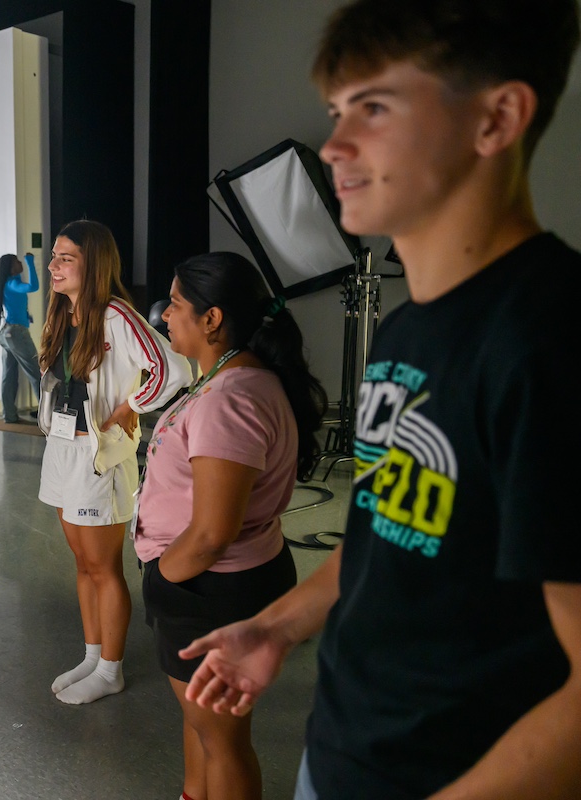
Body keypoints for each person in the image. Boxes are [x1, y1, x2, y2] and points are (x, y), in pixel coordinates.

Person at [180, 2, 581, 799]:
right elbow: (384, 533)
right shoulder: (404, 332)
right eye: (338, 112)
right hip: (341, 754)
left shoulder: (552, 342)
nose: (334, 147)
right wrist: (276, 628)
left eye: (375, 108)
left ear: (497, 119)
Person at [137, 252, 326, 800]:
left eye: (176, 304)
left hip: (210, 587)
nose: (165, 314)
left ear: (212, 319)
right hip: (214, 582)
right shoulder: (232, 378)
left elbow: (212, 533)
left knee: (223, 741)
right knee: (202, 722)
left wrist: (162, 576)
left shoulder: (229, 399)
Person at [38, 219, 192, 705]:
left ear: (93, 265)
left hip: (98, 457)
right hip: (62, 449)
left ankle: (111, 670)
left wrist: (130, 407)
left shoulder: (117, 316)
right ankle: (92, 656)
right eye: (54, 256)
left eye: (66, 258)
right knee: (83, 563)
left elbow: (175, 369)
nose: (53, 265)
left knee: (103, 567)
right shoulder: (62, 314)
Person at [0, 252, 42, 423]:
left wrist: (26, 317)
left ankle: (10, 416)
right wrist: (30, 262)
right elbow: (33, 286)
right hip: (17, 334)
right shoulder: (13, 284)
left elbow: (16, 306)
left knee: (9, 377)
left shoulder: (9, 284)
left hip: (7, 333)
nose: (20, 263)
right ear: (11, 268)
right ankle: (47, 416)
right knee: (36, 373)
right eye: (17, 262)